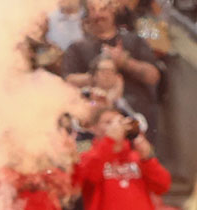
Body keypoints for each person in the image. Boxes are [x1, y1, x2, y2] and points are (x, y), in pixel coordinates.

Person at [61, 0, 161, 145]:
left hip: (135, 123)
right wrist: (96, 77)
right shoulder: (77, 48)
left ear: (112, 11)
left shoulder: (134, 41)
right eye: (92, 10)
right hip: (93, 126)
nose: (98, 14)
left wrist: (125, 62)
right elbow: (68, 80)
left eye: (103, 9)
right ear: (87, 15)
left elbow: (153, 76)